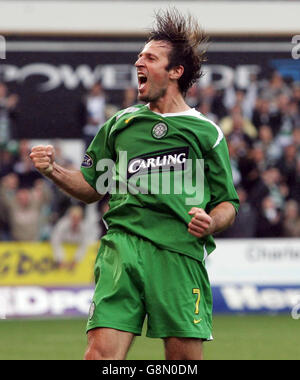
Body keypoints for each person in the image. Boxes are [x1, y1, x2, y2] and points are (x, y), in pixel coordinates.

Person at [29, 8, 239, 361]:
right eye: (140, 55)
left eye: (150, 57)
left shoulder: (207, 133)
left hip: (178, 251)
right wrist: (53, 170)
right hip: (121, 249)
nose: (138, 61)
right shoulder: (119, 125)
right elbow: (92, 187)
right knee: (98, 356)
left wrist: (212, 221)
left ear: (175, 72)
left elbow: (228, 204)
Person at [51, 205, 90, 270]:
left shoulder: (84, 227)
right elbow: (55, 241)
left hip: (75, 251)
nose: (76, 221)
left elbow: (84, 245)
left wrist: (77, 259)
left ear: (81, 218)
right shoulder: (62, 224)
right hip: (62, 250)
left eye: (78, 218)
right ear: (70, 217)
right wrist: (60, 258)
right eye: (74, 218)